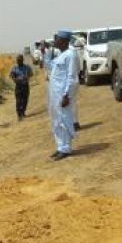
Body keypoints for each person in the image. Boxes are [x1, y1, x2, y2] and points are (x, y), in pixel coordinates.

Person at [48, 30, 78, 160]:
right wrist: (46, 52)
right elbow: (48, 66)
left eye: (58, 39)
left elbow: (72, 77)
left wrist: (67, 95)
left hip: (62, 94)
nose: (55, 41)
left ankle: (66, 148)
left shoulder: (70, 55)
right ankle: (60, 146)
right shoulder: (61, 55)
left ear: (64, 41)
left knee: (64, 121)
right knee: (56, 121)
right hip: (55, 94)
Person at [10, 54, 33, 120]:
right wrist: (14, 79)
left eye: (20, 60)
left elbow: (31, 74)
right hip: (18, 86)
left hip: (25, 85)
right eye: (17, 60)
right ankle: (19, 114)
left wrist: (26, 77)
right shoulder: (15, 68)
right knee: (18, 101)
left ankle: (23, 111)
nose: (18, 62)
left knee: (25, 100)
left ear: (22, 60)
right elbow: (11, 75)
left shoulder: (27, 67)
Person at [69, 42, 81, 131]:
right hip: (74, 80)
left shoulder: (67, 52)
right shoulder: (73, 50)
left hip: (68, 81)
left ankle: (73, 123)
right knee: (72, 102)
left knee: (69, 103)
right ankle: (74, 122)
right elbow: (78, 66)